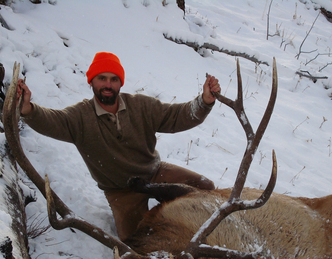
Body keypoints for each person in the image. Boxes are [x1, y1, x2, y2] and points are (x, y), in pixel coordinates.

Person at [16, 52, 221, 240]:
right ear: (91, 82)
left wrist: (204, 101)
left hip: (154, 172)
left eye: (114, 79)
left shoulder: (141, 106)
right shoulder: (79, 117)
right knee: (136, 242)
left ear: (120, 83)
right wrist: (28, 109)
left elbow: (178, 116)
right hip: (121, 191)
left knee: (205, 188)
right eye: (102, 78)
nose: (108, 84)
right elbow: (51, 120)